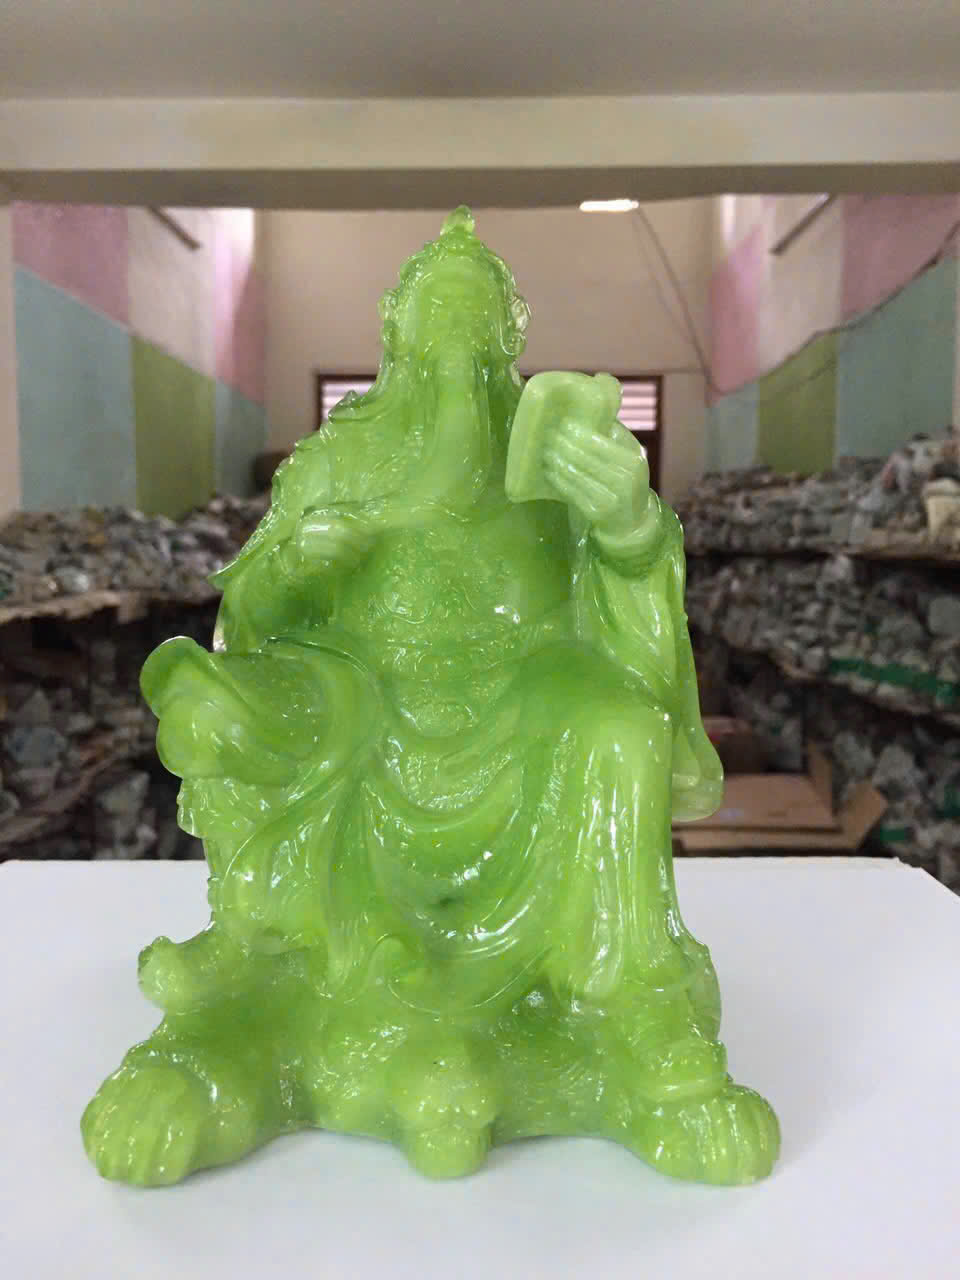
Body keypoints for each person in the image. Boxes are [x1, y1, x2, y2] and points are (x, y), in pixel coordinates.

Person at [83, 208, 778, 1186]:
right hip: (362, 685)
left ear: (510, 338)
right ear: (395, 329)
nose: (456, 341)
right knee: (240, 716)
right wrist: (298, 564)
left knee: (617, 726)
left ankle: (629, 1004)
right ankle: (268, 976)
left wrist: (626, 523)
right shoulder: (336, 458)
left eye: (478, 322)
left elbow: (622, 596)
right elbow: (257, 610)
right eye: (436, 318)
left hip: (524, 686)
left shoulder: (550, 455)